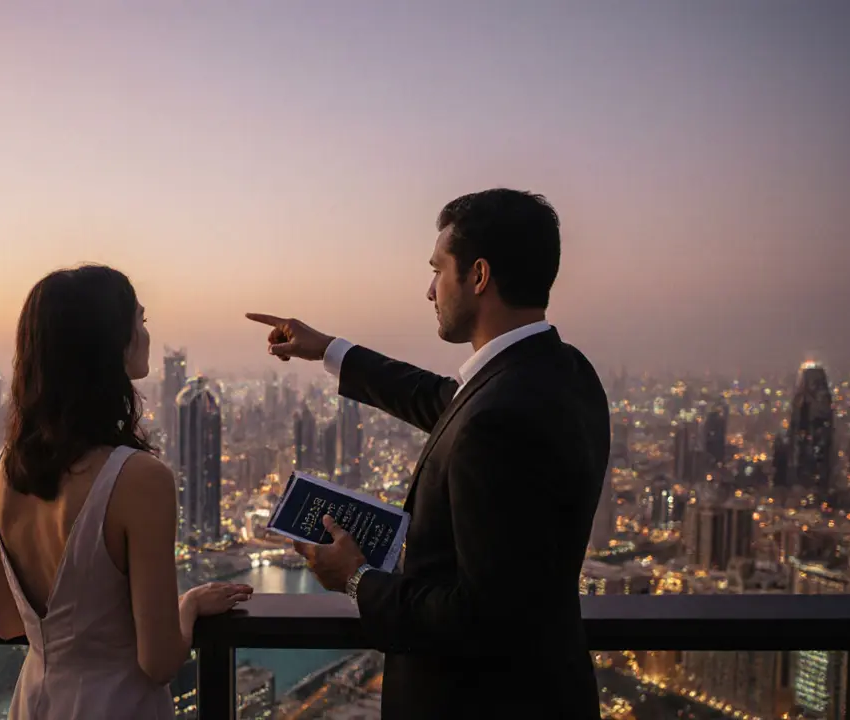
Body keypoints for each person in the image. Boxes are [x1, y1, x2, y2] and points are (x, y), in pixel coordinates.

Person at [247, 189, 609, 718]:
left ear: (478, 276)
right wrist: (326, 348)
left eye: (439, 270)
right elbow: (440, 399)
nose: (429, 290)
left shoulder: (497, 419)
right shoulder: (564, 373)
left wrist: (356, 578)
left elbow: (481, 617)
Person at [0, 264, 253, 720]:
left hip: (35, 703)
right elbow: (160, 661)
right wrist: (186, 606)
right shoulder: (139, 479)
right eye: (140, 321)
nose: (147, 334)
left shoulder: (4, 469)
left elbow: (8, 622)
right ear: (110, 343)